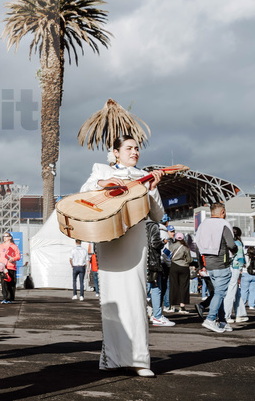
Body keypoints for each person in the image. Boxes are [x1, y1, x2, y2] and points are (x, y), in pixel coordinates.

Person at [79, 135, 164, 377]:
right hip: (109, 237)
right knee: (112, 299)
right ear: (115, 152)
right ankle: (113, 359)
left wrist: (154, 190)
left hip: (136, 238)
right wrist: (103, 184)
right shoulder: (101, 170)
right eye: (129, 148)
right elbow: (84, 192)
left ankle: (139, 360)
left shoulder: (144, 176)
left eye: (137, 148)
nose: (134, 152)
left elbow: (158, 215)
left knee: (137, 298)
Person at [195, 202, 237, 333]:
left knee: (218, 293)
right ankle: (211, 318)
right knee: (220, 293)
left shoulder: (203, 225)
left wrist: (201, 266)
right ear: (222, 212)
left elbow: (197, 246)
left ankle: (222, 321)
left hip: (209, 264)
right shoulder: (223, 224)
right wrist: (235, 250)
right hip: (221, 263)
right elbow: (231, 244)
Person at [146, 220, 173, 327]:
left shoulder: (142, 226)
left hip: (145, 262)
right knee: (156, 288)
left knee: (147, 287)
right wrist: (163, 242)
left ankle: (153, 312)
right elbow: (155, 243)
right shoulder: (154, 226)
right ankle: (157, 315)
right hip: (154, 262)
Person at [0, 232, 21, 304]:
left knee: (11, 283)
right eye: (4, 236)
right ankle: (5, 297)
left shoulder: (14, 246)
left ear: (10, 237)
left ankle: (10, 297)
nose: (4, 237)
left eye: (6, 236)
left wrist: (13, 259)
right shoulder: (0, 246)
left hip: (11, 267)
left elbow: (18, 256)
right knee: (4, 282)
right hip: (2, 267)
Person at [224, 227, 245, 323]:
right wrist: (240, 269)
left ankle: (240, 314)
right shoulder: (238, 244)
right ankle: (226, 315)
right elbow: (240, 258)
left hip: (227, 267)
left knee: (235, 291)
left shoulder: (227, 242)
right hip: (235, 268)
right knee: (231, 291)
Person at [168, 233, 192, 314]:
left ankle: (172, 305)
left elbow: (167, 256)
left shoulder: (171, 246)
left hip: (174, 266)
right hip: (184, 267)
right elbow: (189, 260)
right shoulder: (185, 248)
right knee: (183, 286)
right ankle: (182, 306)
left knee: (173, 286)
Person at [236, 246, 255, 322]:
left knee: (244, 290)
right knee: (253, 290)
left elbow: (241, 264)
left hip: (245, 274)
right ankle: (251, 305)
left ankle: (243, 304)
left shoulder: (245, 257)